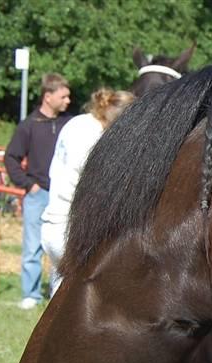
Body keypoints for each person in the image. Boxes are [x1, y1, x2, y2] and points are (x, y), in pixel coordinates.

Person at [41, 88, 135, 295]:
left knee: (61, 296)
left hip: (53, 222)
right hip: (72, 229)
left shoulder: (77, 123)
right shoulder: (93, 138)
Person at [4, 73, 72, 309]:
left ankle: (59, 293)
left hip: (63, 195)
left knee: (62, 245)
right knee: (32, 246)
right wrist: (28, 185)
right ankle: (31, 294)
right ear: (48, 96)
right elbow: (11, 158)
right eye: (63, 96)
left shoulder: (69, 124)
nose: (68, 101)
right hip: (38, 192)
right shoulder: (29, 126)